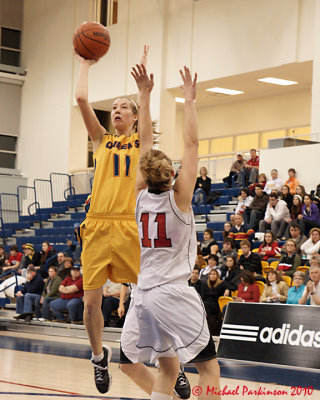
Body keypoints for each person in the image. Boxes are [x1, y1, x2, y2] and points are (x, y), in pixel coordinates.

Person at [120, 67, 221, 400]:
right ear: (173, 173)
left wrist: (145, 97)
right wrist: (189, 100)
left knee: (166, 370)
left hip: (143, 294)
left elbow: (146, 140)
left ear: (145, 172)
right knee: (208, 368)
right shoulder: (180, 197)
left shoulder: (138, 195)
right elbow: (192, 143)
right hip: (171, 292)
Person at [74, 48, 155, 394]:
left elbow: (150, 133)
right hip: (96, 225)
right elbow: (80, 98)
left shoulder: (141, 143)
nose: (118, 109)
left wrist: (144, 95)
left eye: (126, 106)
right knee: (90, 304)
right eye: (116, 106)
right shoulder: (100, 141)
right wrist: (84, 63)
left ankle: (173, 362)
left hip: (127, 225)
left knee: (154, 296)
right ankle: (98, 357)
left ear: (135, 117)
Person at [201, 269, 225, 335]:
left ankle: (208, 328)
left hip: (216, 304)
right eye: (211, 274)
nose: (212, 276)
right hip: (206, 303)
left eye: (214, 274)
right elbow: (203, 296)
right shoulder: (205, 284)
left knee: (206, 306)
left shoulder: (221, 284)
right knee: (204, 305)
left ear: (217, 276)